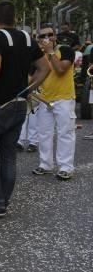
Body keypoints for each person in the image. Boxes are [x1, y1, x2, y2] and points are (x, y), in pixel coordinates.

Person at [0, 1, 51, 217]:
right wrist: (27, 88)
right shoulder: (27, 38)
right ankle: (2, 201)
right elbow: (46, 68)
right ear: (15, 17)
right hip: (19, 105)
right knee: (8, 155)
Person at [31, 26, 76, 181]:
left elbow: (61, 69)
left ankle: (65, 167)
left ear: (55, 36)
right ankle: (45, 164)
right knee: (43, 133)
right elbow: (36, 77)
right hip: (45, 99)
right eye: (43, 36)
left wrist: (50, 52)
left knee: (65, 133)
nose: (47, 38)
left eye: (50, 35)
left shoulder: (65, 50)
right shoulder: (39, 56)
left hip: (64, 98)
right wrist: (27, 91)